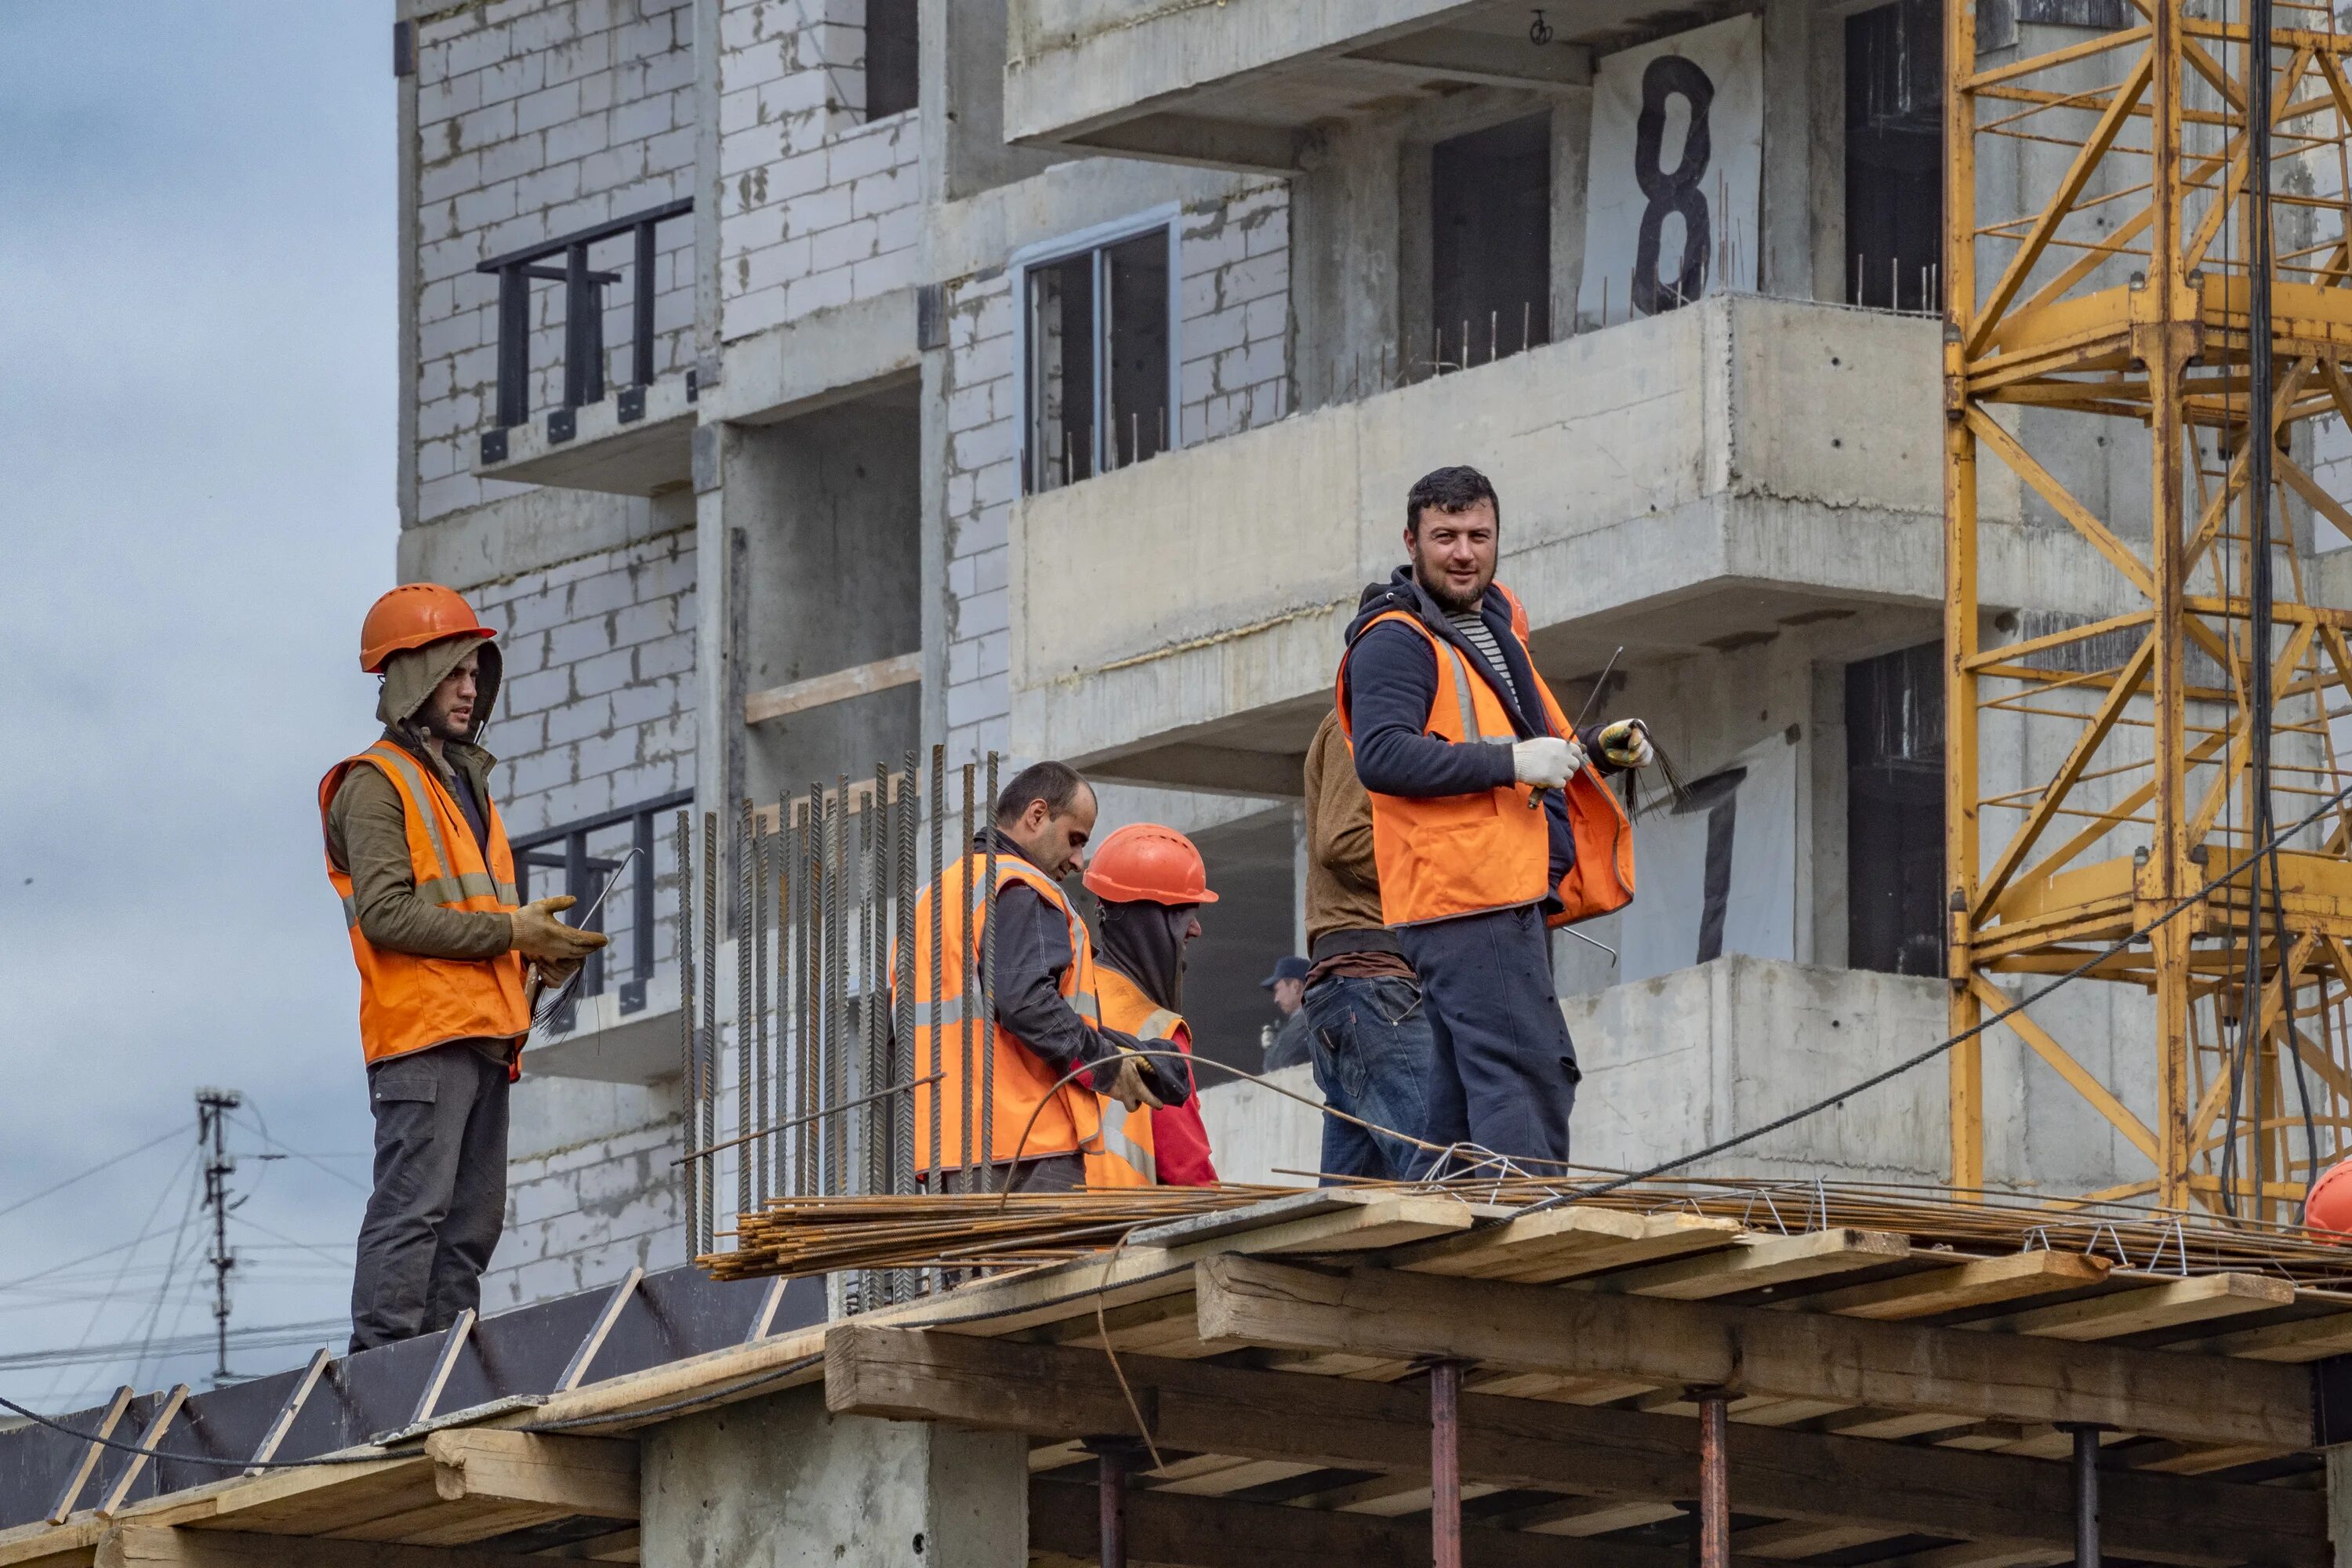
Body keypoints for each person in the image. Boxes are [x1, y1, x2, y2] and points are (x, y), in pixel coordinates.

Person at [1337, 466, 1654, 1174]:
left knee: (1462, 1092)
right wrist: (1513, 762)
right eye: (1444, 536)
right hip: (1468, 895)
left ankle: (1453, 1221)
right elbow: (1384, 756)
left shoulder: (1489, 625)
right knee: (1525, 1070)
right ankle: (1526, 1223)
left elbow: (1511, 752)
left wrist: (1592, 751)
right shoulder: (1397, 637)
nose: (1463, 552)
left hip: (1493, 891)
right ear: (1411, 541)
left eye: (1479, 536)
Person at [322, 583, 608, 1352]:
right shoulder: (375, 782)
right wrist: (509, 929)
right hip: (423, 1038)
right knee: (412, 1213)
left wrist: (533, 954)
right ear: (411, 675)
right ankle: (383, 1376)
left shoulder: (464, 785)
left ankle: (439, 1371)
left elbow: (475, 914)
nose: (470, 686)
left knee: (469, 1225)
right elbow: (387, 914)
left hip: (484, 1035)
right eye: (454, 671)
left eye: (476, 672)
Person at [898, 760, 1185, 1193]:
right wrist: (1106, 1066)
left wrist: (1120, 1048)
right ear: (1036, 815)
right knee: (1043, 1264)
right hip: (1029, 1148)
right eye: (1074, 839)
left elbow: (903, 1035)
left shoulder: (932, 901)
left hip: (948, 1159)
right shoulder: (1020, 885)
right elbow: (1027, 1002)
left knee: (985, 1266)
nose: (1078, 860)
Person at [1299, 707, 1436, 1182]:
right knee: (1445, 1177)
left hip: (1363, 992)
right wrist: (1447, 858)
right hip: (1372, 988)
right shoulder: (1361, 716)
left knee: (1351, 1219)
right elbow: (1342, 841)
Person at [1080, 824, 1222, 1186]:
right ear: (1149, 922)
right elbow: (1188, 1177)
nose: (1196, 930)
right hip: (1118, 1232)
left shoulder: (1064, 996)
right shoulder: (1157, 1030)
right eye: (1184, 913)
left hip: (1031, 1223)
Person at [1259, 956, 1311, 1070]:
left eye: (1278, 990)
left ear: (1295, 986)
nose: (1276, 999)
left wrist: (1273, 1048)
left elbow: (1280, 1063)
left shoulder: (1312, 1018)